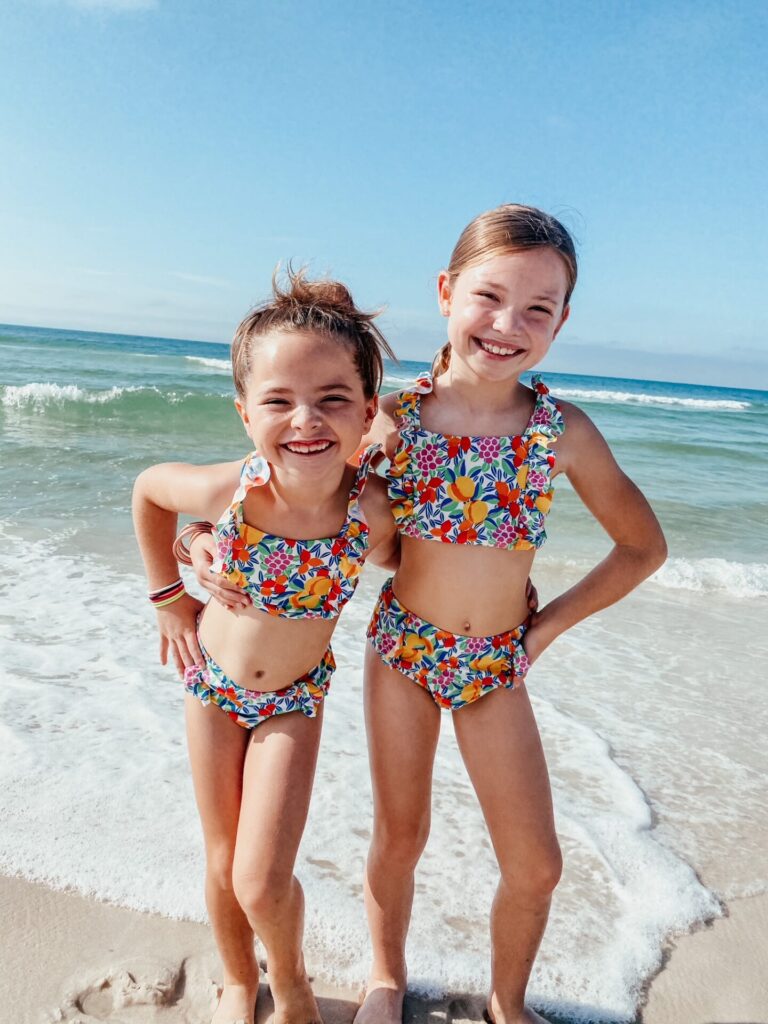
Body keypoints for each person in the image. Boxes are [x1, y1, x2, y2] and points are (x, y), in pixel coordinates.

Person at [353, 204, 668, 1024]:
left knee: (535, 867)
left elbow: (642, 548)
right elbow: (288, 485)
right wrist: (198, 544)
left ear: (562, 321)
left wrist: (545, 628)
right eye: (489, 297)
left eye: (538, 308)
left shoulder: (560, 432)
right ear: (447, 291)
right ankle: (385, 979)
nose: (508, 324)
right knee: (400, 834)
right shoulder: (390, 418)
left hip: (497, 662)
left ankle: (506, 1002)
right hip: (403, 652)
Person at [132, 269, 398, 1024]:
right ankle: (239, 982)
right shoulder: (229, 494)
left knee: (260, 875)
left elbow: (418, 569)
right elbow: (150, 489)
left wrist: (501, 594)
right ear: (246, 413)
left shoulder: (370, 511)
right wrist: (171, 596)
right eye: (278, 401)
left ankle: (297, 989)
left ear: (367, 411)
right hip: (211, 686)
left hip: (293, 699)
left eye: (333, 400)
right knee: (222, 861)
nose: (305, 419)